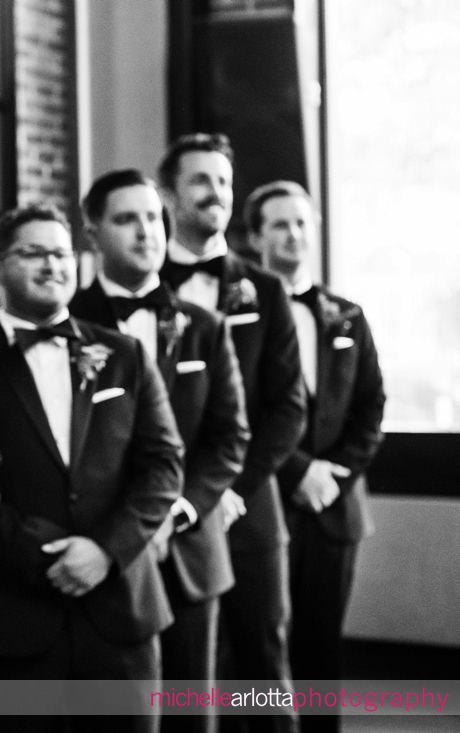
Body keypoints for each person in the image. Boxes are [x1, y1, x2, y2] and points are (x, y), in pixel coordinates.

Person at [0, 203, 183, 733]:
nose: (52, 265)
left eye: (61, 253)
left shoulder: (125, 354)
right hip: (15, 613)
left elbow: (163, 466)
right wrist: (34, 554)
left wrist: (105, 551)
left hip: (122, 613)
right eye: (33, 253)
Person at [70, 169, 251, 733]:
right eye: (126, 218)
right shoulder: (68, 325)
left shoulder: (204, 327)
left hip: (190, 547)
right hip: (105, 550)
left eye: (153, 218)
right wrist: (129, 527)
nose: (146, 231)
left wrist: (181, 508)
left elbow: (229, 436)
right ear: (93, 233)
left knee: (194, 711)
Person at [158, 134, 307, 733]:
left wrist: (226, 487)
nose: (215, 192)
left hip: (250, 505)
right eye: (200, 180)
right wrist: (184, 494)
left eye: (222, 181)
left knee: (262, 661)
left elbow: (288, 406)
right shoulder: (141, 285)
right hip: (164, 508)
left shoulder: (265, 291)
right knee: (180, 671)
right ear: (169, 193)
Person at [245, 181, 385, 733]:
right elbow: (238, 417)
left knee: (321, 649)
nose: (294, 234)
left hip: (335, 508)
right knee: (260, 650)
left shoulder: (347, 316)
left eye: (302, 223)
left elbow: (370, 408)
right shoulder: (237, 319)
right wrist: (296, 470)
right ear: (256, 237)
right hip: (264, 501)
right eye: (280, 224)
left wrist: (332, 475)